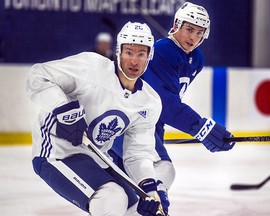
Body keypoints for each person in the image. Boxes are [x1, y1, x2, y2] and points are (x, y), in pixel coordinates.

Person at [26, 21, 166, 216]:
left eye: (141, 54)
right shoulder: (92, 66)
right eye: (129, 52)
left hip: (94, 157)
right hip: (55, 151)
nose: (134, 61)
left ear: (149, 56)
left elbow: (137, 153)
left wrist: (150, 190)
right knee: (112, 197)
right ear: (118, 52)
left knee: (137, 210)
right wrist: (62, 108)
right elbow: (38, 76)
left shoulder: (149, 102)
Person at [110, 2, 236, 215]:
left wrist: (158, 132)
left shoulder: (197, 59)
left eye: (199, 32)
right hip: (127, 120)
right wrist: (200, 126)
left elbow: (161, 105)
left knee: (131, 193)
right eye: (189, 29)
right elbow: (164, 102)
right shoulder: (160, 51)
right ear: (177, 24)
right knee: (162, 172)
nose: (193, 37)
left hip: (146, 122)